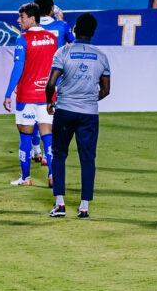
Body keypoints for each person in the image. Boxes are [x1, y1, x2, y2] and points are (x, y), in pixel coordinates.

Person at [45, 14, 112, 218]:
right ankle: (84, 207)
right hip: (89, 113)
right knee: (88, 158)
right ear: (93, 32)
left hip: (65, 110)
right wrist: (89, 99)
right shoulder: (101, 56)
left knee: (59, 154)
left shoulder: (64, 51)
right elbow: (106, 89)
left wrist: (50, 101)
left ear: (74, 30)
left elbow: (51, 83)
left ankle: (60, 204)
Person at [4, 2, 60, 187]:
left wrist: (7, 93)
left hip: (27, 95)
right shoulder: (52, 38)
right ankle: (53, 176)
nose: (18, 20)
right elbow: (55, 68)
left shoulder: (23, 39)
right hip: (46, 95)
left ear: (32, 18)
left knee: (25, 136)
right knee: (48, 136)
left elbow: (18, 67)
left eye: (22, 17)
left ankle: (26, 178)